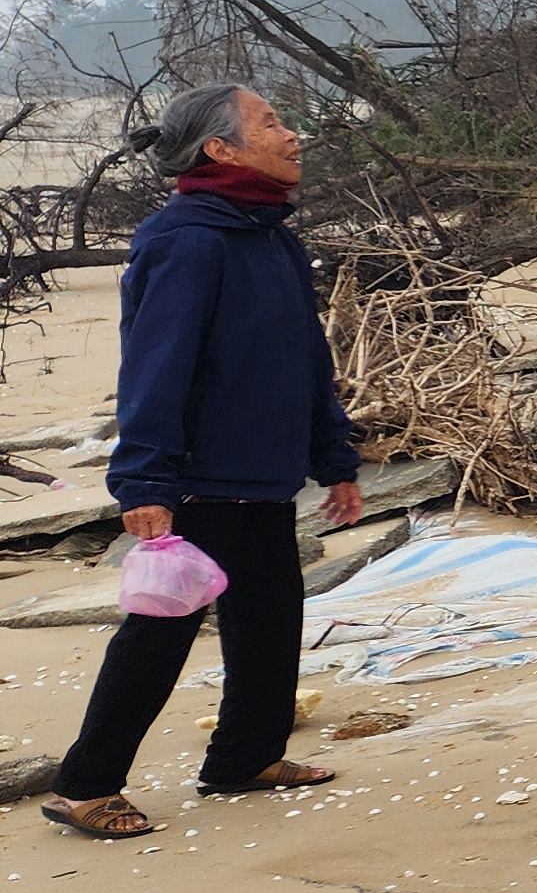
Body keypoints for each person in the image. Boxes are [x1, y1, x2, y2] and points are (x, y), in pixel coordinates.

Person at [40, 83, 364, 840]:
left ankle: (243, 758)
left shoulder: (271, 235)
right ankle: (84, 787)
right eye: (272, 122)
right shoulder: (186, 238)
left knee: (270, 618)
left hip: (262, 475)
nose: (293, 136)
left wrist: (333, 456)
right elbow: (155, 366)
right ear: (220, 148)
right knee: (159, 634)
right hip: (198, 479)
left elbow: (307, 360)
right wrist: (145, 477)